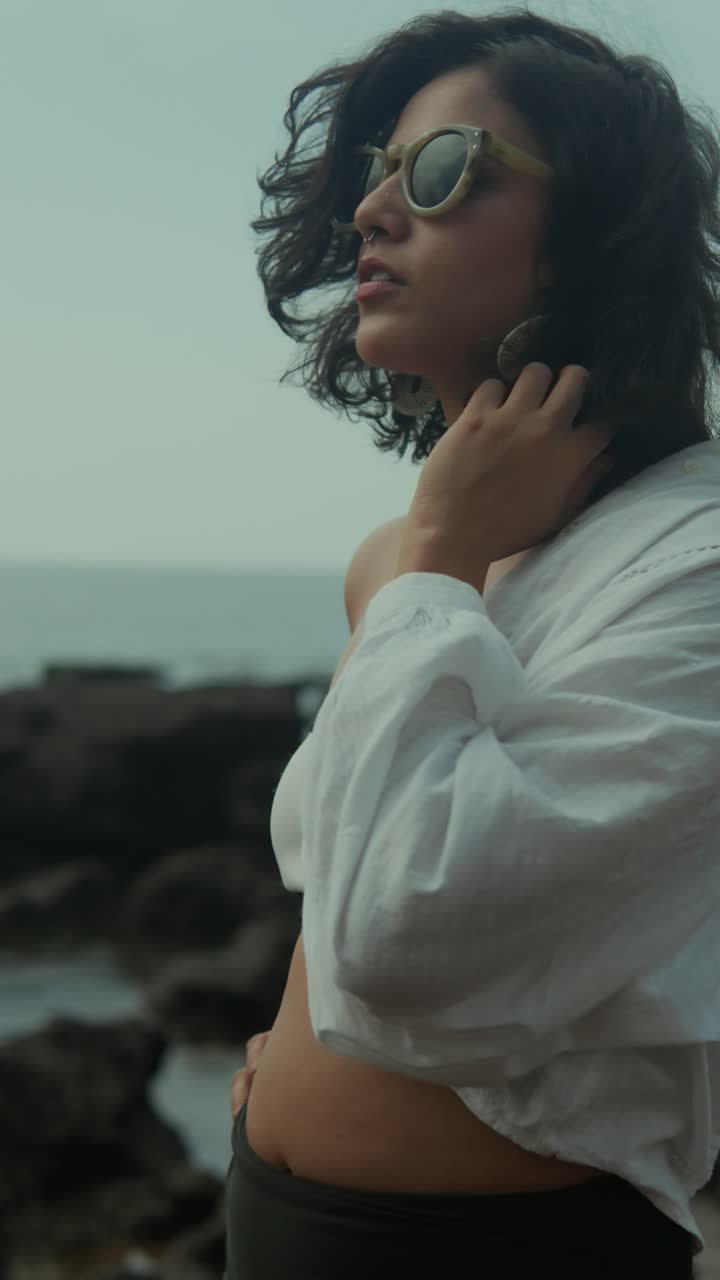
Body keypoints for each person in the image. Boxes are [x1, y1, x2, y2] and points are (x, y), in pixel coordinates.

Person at [224, 9, 720, 1278]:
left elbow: (413, 937)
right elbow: (351, 883)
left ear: (587, 241)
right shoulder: (399, 561)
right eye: (377, 173)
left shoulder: (693, 559)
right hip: (272, 1215)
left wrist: (439, 548)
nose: (375, 213)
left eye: (443, 172)